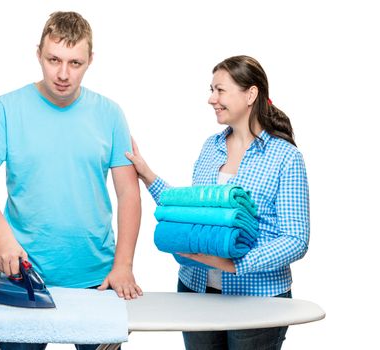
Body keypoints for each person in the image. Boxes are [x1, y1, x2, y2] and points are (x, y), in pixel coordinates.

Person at [0, 11, 142, 350]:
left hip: (97, 280)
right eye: (53, 60)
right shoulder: (7, 108)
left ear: (91, 60)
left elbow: (128, 193)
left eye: (75, 63)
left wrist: (123, 265)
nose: (63, 74)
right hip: (24, 277)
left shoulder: (110, 114)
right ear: (38, 54)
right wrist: (1, 236)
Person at [126, 55, 309, 350]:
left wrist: (235, 264)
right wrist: (147, 175)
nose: (212, 99)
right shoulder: (211, 147)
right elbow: (193, 213)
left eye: (220, 90)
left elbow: (296, 240)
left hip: (257, 299)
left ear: (251, 94)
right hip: (197, 289)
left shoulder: (285, 157)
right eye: (211, 89)